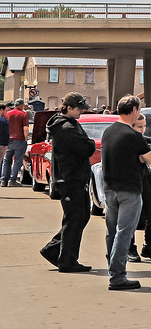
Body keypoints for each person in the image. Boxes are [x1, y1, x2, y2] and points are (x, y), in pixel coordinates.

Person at [101, 95, 151, 290]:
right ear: (133, 110)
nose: (139, 113)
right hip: (129, 190)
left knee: (112, 231)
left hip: (110, 189)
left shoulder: (108, 131)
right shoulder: (133, 136)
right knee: (124, 232)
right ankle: (117, 276)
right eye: (138, 109)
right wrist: (141, 158)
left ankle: (112, 268)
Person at [39, 93, 95, 273]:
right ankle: (67, 260)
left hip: (72, 179)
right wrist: (90, 142)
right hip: (70, 180)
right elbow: (86, 148)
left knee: (80, 217)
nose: (82, 111)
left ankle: (55, 250)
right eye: (79, 108)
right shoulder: (66, 128)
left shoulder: (67, 125)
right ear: (69, 108)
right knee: (75, 219)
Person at [128, 113, 151, 263]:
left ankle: (149, 245)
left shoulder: (145, 140)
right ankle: (130, 248)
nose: (142, 130)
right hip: (131, 179)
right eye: (139, 126)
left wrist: (143, 156)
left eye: (144, 126)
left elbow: (149, 160)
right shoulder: (127, 139)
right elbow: (140, 158)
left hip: (146, 177)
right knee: (132, 214)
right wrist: (143, 156)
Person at [0, 99, 29, 187]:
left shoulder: (8, 114)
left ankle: (3, 180)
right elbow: (25, 129)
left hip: (8, 139)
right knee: (17, 161)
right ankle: (12, 180)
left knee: (6, 160)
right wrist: (25, 139)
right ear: (21, 105)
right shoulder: (24, 114)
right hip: (19, 139)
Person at [0, 103, 8, 172]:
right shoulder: (4, 121)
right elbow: (6, 135)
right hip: (1, 145)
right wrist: (6, 146)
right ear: (1, 110)